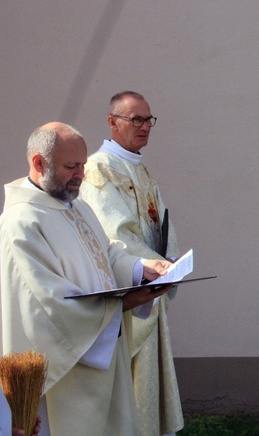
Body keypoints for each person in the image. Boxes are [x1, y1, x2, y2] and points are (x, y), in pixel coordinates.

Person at [0, 122, 173, 436]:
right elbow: (44, 303)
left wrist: (141, 268)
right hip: (69, 371)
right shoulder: (21, 222)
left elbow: (105, 253)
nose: (81, 174)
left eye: (82, 164)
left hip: (106, 353)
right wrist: (120, 306)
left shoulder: (77, 206)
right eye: (71, 166)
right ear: (39, 163)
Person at [79, 91, 183, 436]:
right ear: (113, 122)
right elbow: (114, 235)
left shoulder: (139, 167)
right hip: (128, 296)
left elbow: (159, 224)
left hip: (151, 286)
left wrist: (170, 259)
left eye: (148, 119)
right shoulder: (98, 170)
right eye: (135, 119)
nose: (145, 127)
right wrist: (157, 267)